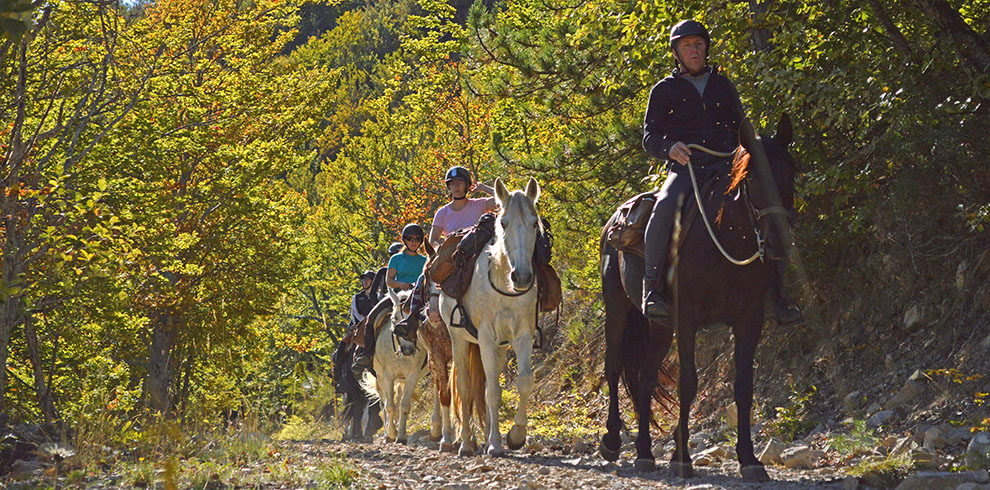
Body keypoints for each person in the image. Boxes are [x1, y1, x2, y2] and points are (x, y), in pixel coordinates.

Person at [641, 19, 803, 326]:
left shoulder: (722, 84)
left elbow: (741, 125)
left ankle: (778, 296)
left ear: (706, 49)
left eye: (699, 45)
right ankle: (652, 289)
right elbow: (649, 137)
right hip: (687, 167)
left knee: (768, 206)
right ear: (676, 52)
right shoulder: (663, 90)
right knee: (664, 206)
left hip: (727, 165)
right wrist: (669, 147)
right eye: (687, 46)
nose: (694, 50)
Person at [395, 166, 496, 335]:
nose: (456, 187)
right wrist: (443, 248)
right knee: (425, 276)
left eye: (460, 183)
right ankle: (412, 318)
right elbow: (433, 238)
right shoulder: (442, 212)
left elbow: (505, 199)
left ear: (467, 185)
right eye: (452, 184)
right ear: (448, 187)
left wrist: (484, 188)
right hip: (453, 255)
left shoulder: (480, 204)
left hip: (478, 252)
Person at [353, 224, 428, 370]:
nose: (414, 242)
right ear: (405, 240)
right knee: (372, 318)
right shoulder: (396, 258)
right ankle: (367, 355)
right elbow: (389, 281)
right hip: (397, 295)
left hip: (418, 296)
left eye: (417, 239)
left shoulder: (424, 260)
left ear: (421, 242)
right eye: (410, 239)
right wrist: (401, 284)